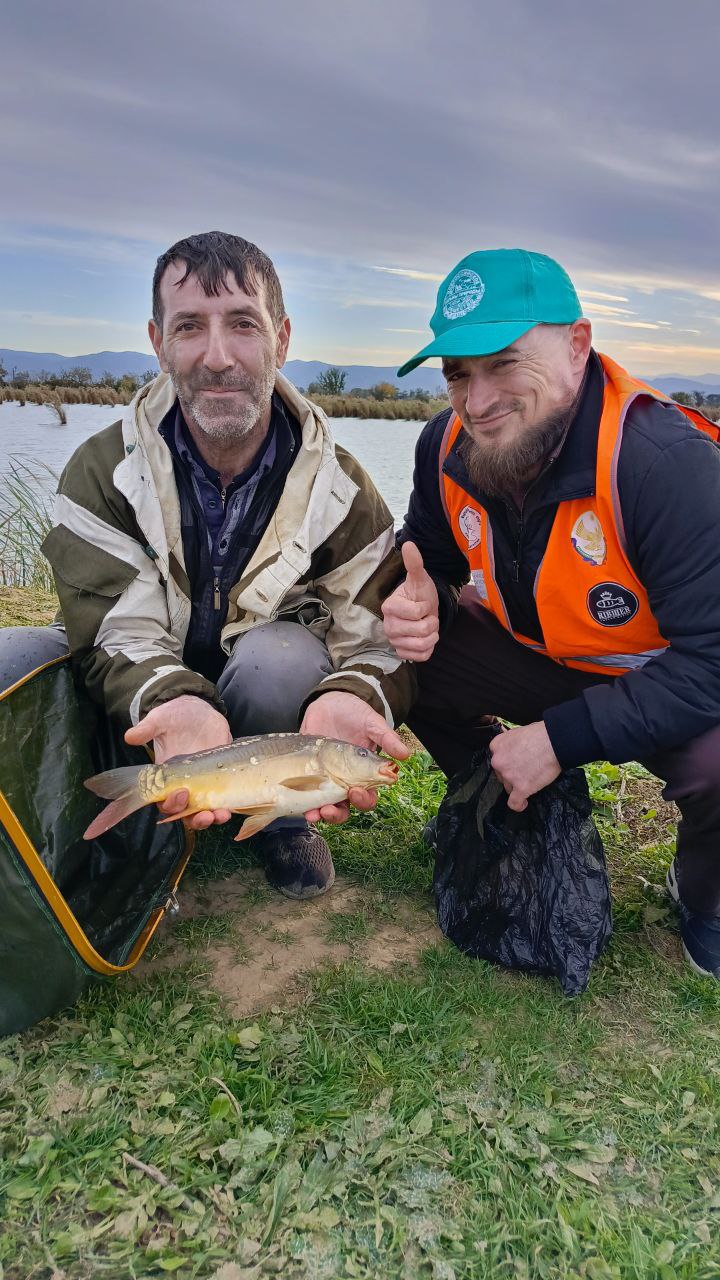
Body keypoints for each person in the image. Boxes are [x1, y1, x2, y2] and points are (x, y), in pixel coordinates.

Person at [3, 231, 413, 899]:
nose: (217, 356)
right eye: (190, 326)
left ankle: (281, 818)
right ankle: (115, 794)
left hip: (267, 701)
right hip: (147, 700)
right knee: (13, 657)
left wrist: (351, 696)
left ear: (280, 339)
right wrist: (175, 706)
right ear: (157, 341)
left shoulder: (342, 490)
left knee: (282, 655)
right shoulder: (101, 471)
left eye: (243, 325)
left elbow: (376, 639)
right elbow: (115, 631)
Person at [382, 247, 720, 979]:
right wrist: (417, 603)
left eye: (502, 362)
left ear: (577, 345)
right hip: (532, 657)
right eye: (457, 373)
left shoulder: (664, 463)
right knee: (401, 660)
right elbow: (430, 561)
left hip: (658, 677)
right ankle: (496, 789)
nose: (476, 401)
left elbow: (714, 663)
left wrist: (561, 740)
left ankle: (704, 895)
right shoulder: (442, 447)